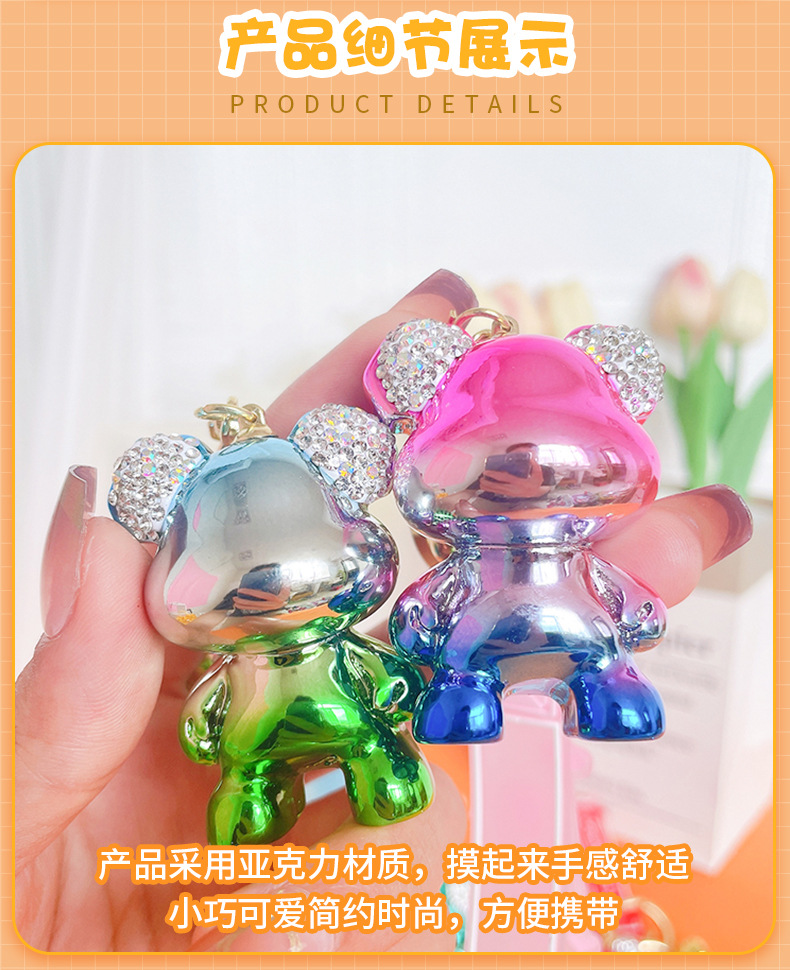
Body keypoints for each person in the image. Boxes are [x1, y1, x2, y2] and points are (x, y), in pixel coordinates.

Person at [14, 270, 753, 952]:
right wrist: (399, 656)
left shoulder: (553, 560)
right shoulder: (432, 571)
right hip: (304, 716)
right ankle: (356, 753)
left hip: (528, 647)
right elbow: (401, 632)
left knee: (407, 760)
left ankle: (588, 692)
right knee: (353, 765)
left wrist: (628, 617)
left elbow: (601, 598)